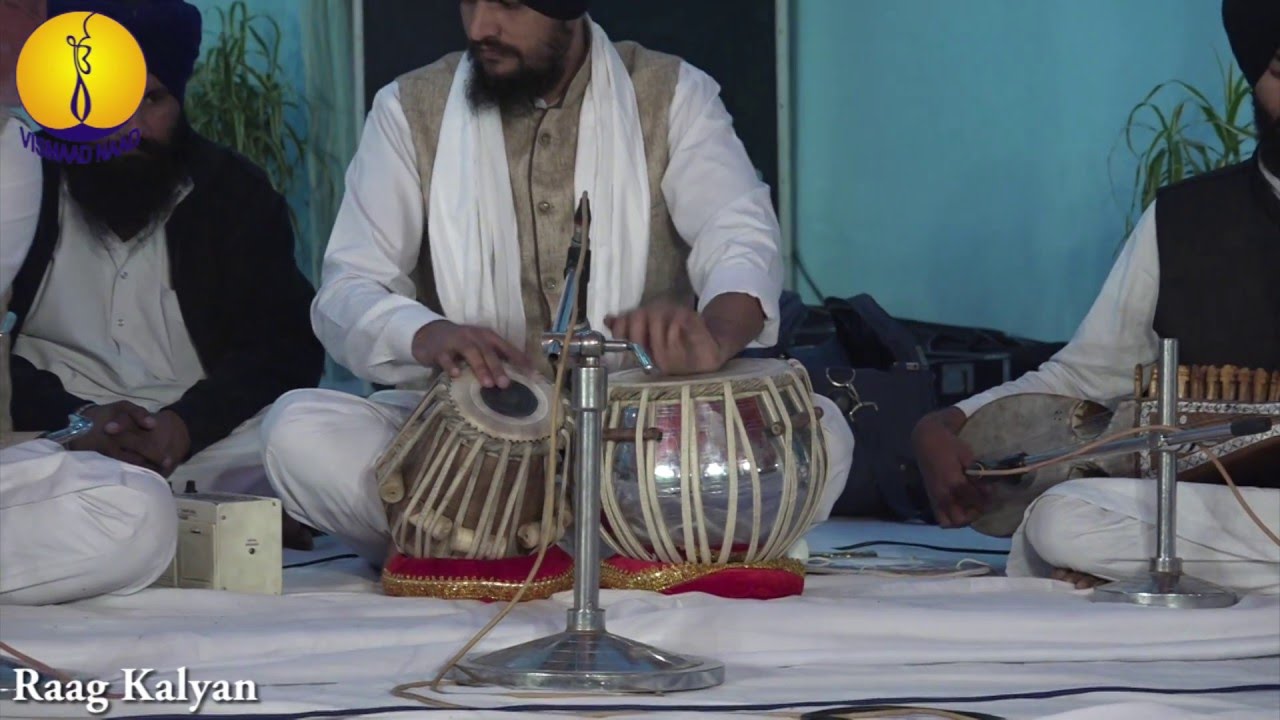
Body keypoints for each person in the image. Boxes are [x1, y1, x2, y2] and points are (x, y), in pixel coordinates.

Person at [262, 0, 854, 566]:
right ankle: (586, 537)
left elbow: (740, 236)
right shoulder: (410, 108)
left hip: (641, 444)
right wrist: (428, 334)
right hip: (463, 443)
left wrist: (714, 336)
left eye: (511, 7)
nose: (480, 27)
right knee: (298, 433)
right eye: (470, 2)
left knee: (824, 432)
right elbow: (348, 286)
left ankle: (471, 538)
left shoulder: (672, 94)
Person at [911, 0, 1279, 595]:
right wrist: (947, 421)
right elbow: (1086, 378)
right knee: (1065, 520)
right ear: (1254, 80)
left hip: (1234, 535)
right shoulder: (1185, 220)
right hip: (1230, 520)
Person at [0, 0, 322, 605]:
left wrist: (184, 424)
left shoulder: (235, 192)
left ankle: (178, 505)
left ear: (180, 98)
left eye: (148, 101)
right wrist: (79, 421)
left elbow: (283, 350)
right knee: (80, 482)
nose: (127, 128)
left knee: (306, 441)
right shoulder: (21, 177)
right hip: (50, 435)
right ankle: (194, 514)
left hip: (198, 439)